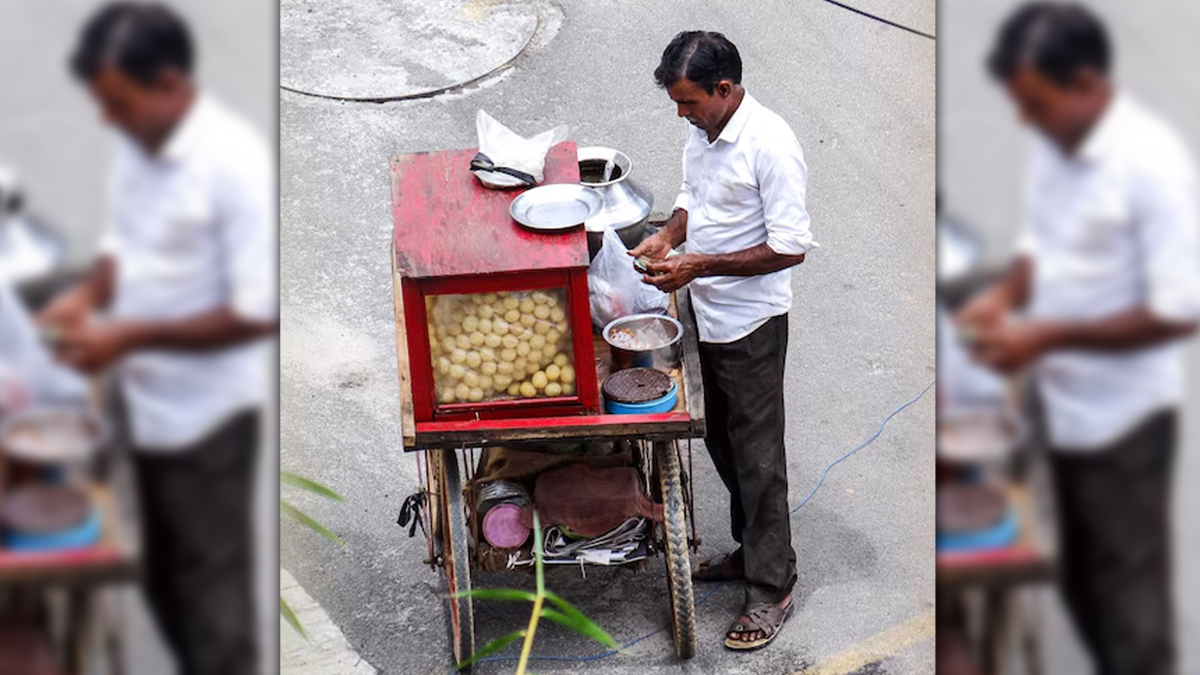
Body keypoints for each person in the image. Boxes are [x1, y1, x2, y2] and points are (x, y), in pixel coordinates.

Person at [959, 4, 1200, 674]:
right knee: (1077, 582)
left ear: (1088, 84)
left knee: (1129, 608)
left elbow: (1178, 311)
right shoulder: (1053, 144)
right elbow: (1041, 250)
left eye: (1036, 102)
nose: (1026, 119)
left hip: (1123, 425)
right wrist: (1001, 300)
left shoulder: (1151, 165)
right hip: (1057, 410)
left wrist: (1047, 335)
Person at [39, 4, 276, 674]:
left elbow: (256, 312)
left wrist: (132, 334)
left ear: (169, 83)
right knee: (158, 582)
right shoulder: (134, 143)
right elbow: (122, 249)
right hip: (137, 407)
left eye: (117, 102)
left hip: (207, 425)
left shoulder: (232, 164)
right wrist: (82, 300)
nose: (106, 118)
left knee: (212, 611)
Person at [631, 30, 817, 651]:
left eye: (689, 102)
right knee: (721, 439)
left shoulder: (772, 145)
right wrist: (670, 237)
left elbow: (789, 246)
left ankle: (772, 587)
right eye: (677, 105)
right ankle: (752, 548)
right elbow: (693, 196)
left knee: (759, 457)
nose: (682, 114)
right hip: (705, 313)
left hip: (751, 323)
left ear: (726, 89)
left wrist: (697, 265)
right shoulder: (701, 128)